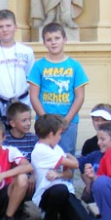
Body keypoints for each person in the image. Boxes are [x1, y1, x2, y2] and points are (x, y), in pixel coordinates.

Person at [28, 22, 89, 155]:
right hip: (45, 121)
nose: (53, 43)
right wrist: (45, 118)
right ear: (44, 43)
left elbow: (80, 96)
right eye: (49, 40)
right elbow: (33, 96)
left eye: (57, 38)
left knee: (66, 158)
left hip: (68, 122)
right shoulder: (38, 66)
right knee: (44, 157)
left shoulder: (75, 66)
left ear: (65, 40)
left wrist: (67, 120)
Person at [31, 114, 95, 220]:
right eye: (59, 134)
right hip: (47, 194)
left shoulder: (57, 149)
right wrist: (69, 156)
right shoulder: (40, 150)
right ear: (51, 134)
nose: (60, 138)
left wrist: (58, 174)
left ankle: (64, 218)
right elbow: (76, 164)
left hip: (66, 192)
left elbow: (69, 174)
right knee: (60, 189)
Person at [0, 10, 34, 119]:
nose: (5, 30)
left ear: (15, 27)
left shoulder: (27, 52)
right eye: (1, 27)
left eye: (8, 26)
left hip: (22, 104)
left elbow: (30, 77)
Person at [78, 121, 111, 208]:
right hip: (94, 201)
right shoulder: (96, 154)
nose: (98, 142)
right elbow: (77, 163)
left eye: (102, 139)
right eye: (98, 139)